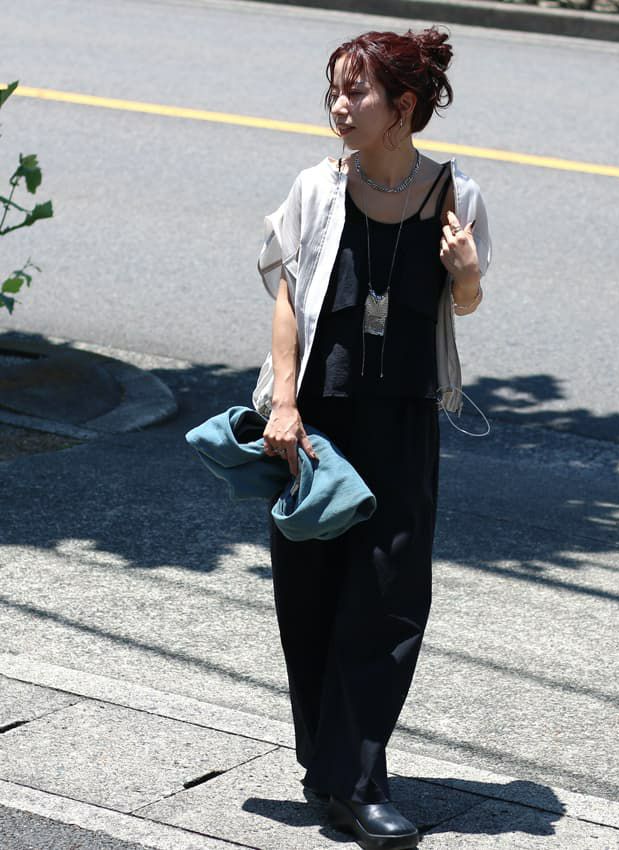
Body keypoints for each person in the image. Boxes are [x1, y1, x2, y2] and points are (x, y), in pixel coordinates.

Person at [257, 25, 491, 850]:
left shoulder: (457, 195)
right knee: (310, 592)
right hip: (317, 417)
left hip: (403, 418)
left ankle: (358, 780)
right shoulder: (317, 189)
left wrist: (466, 274)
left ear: (403, 106)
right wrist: (284, 404)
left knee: (389, 597)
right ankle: (332, 767)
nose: (339, 105)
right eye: (335, 90)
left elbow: (465, 304)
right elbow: (287, 296)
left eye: (356, 91)